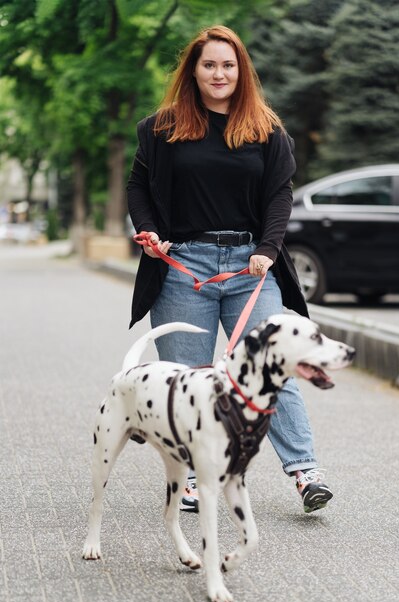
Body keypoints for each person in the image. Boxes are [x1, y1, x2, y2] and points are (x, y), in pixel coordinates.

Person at [126, 25, 333, 514]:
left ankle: (304, 471)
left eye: (228, 65)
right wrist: (150, 232)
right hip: (182, 267)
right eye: (209, 65)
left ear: (242, 71)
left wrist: (267, 247)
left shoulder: (266, 128)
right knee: (187, 377)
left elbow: (279, 195)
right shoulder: (162, 128)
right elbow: (138, 186)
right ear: (193, 71)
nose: (219, 73)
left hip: (250, 265)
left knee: (272, 366)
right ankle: (192, 478)